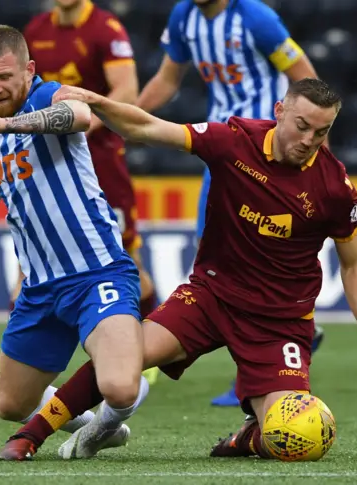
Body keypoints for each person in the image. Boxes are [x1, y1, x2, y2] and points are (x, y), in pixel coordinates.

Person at [0, 78, 357, 461]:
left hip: (279, 321)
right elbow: (148, 127)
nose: (309, 141)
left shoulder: (334, 188)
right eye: (302, 126)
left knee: (302, 437)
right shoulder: (232, 142)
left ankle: (249, 436)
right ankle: (32, 434)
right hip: (211, 297)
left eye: (322, 132)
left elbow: (354, 262)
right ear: (280, 111)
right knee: (126, 354)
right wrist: (99, 102)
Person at [0, 25, 150, 459]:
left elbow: (81, 116)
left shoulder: (47, 97)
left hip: (96, 273)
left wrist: (3, 123)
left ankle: (103, 423)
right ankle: (97, 422)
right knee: (10, 404)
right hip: (40, 289)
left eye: (4, 76)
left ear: (29, 69)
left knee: (120, 387)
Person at [137, 0, 324, 406]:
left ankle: (259, 368)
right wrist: (124, 116)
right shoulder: (184, 16)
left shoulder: (255, 17)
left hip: (265, 150)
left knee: (249, 257)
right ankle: (272, 350)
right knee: (215, 252)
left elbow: (304, 77)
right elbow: (168, 81)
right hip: (223, 148)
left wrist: (311, 150)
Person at [0, 0, 161, 386]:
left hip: (100, 159)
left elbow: (126, 90)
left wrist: (77, 127)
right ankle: (23, 358)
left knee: (129, 261)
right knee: (32, 262)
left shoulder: (106, 29)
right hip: (38, 152)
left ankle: (147, 353)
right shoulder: (37, 29)